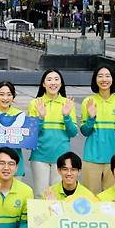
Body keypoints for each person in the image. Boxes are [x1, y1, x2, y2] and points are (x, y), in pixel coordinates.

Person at [80, 65, 115, 194]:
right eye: (100, 76)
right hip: (91, 158)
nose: (104, 79)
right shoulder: (88, 101)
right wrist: (91, 118)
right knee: (90, 198)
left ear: (113, 79)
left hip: (113, 159)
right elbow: (85, 131)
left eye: (107, 76)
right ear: (95, 79)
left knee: (112, 199)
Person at [27, 69, 78, 197]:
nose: (53, 82)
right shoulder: (35, 103)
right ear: (43, 84)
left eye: (56, 79)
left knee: (59, 195)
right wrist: (40, 118)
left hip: (62, 156)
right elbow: (31, 134)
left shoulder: (68, 103)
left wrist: (66, 116)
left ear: (61, 83)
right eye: (49, 79)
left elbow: (72, 132)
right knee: (40, 194)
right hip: (39, 156)